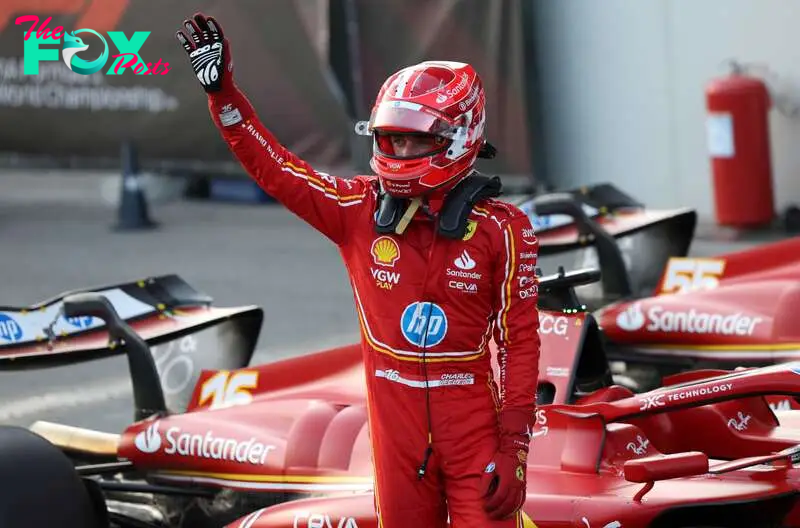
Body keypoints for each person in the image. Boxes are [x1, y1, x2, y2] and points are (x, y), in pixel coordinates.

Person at [176, 13, 541, 528]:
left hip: (473, 432)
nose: (402, 152)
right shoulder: (357, 210)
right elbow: (277, 170)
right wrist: (224, 98)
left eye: (417, 140)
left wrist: (515, 449)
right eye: (392, 139)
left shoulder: (503, 229)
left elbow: (521, 344)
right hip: (395, 439)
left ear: (461, 137)